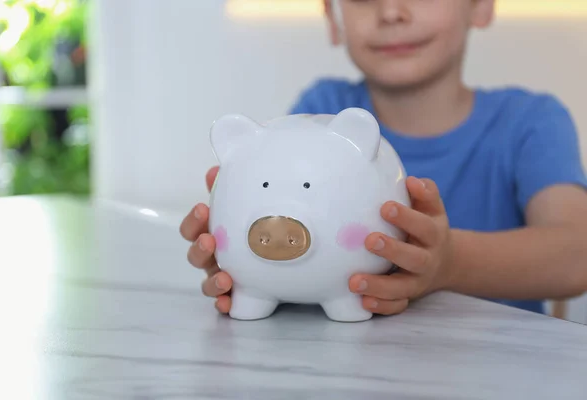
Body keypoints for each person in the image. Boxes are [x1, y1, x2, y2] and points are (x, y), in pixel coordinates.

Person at [180, 0, 587, 316]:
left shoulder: (530, 123)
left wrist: (448, 264)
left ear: (480, 5)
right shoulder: (322, 109)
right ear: (332, 16)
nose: (391, 12)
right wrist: (254, 266)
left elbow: (575, 256)